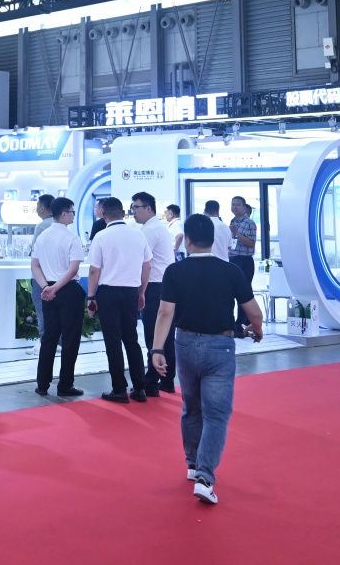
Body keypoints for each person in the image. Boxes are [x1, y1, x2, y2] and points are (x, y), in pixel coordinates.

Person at [151, 213, 264, 506]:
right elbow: (253, 311)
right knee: (216, 414)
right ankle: (204, 476)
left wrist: (157, 350)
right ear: (213, 241)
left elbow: (165, 313)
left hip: (185, 344)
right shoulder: (231, 271)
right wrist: (257, 328)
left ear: (187, 240)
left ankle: (192, 464)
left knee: (191, 407)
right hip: (220, 347)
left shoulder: (174, 271)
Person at [86, 196, 150, 404]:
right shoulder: (138, 235)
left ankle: (119, 389)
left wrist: (91, 296)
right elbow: (147, 266)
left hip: (108, 293)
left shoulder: (101, 236)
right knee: (131, 339)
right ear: (123, 213)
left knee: (113, 341)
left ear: (103, 214)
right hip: (131, 292)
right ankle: (140, 388)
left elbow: (94, 270)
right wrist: (141, 292)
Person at [31, 195, 85, 398]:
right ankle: (65, 385)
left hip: (49, 292)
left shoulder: (42, 236)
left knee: (49, 337)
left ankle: (42, 384)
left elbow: (35, 265)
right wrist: (55, 288)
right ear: (63, 214)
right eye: (72, 212)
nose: (73, 215)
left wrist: (47, 287)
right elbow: (73, 269)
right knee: (70, 339)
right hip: (68, 290)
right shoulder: (72, 238)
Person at [134, 192, 175, 396]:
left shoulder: (149, 230)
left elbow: (145, 264)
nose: (133, 212)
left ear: (148, 208)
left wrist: (140, 291)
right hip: (165, 285)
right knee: (167, 336)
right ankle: (167, 380)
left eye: (136, 207)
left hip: (154, 286)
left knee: (154, 335)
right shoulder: (159, 227)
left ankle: (150, 382)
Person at [227, 197, 258, 337]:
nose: (234, 207)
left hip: (244, 261)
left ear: (244, 207)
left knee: (242, 293)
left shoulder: (249, 222)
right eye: (232, 204)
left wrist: (237, 234)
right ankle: (234, 323)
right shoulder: (233, 221)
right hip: (232, 260)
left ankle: (241, 324)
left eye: (237, 205)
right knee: (231, 292)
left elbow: (251, 243)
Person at [30, 194, 55, 339]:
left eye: (37, 206)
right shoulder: (60, 224)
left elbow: (35, 253)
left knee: (41, 309)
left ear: (42, 208)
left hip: (41, 278)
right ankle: (56, 342)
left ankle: (45, 342)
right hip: (56, 277)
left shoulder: (41, 226)